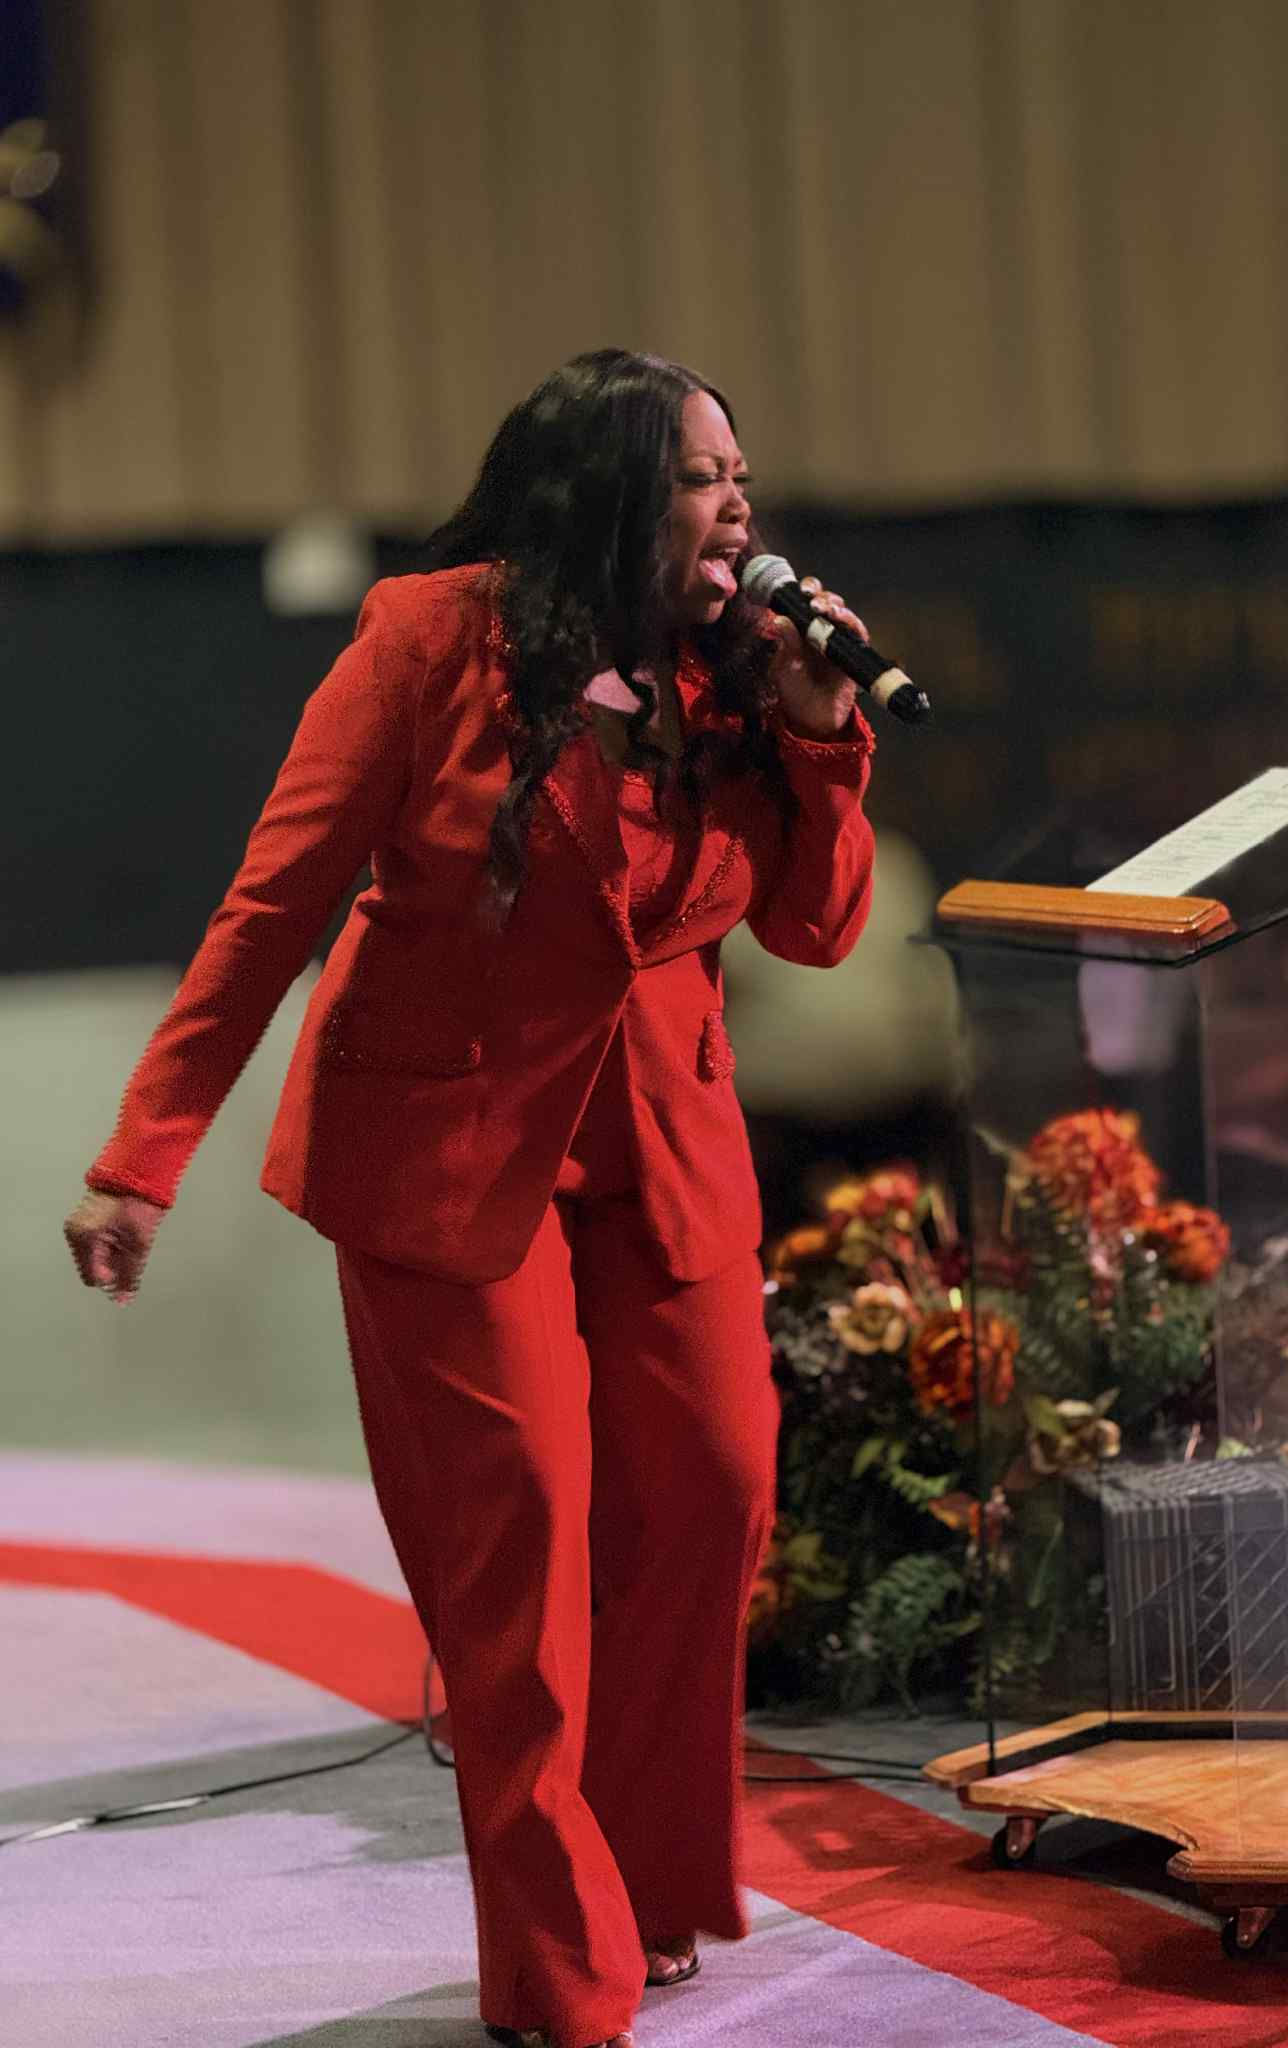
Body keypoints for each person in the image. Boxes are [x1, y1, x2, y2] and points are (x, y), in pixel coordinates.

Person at [62, 349, 877, 2048]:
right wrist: (144, 1158)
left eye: (742, 476)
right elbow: (271, 904)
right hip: (449, 1151)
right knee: (516, 1553)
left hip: (659, 1147)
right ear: (604, 493)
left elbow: (810, 931)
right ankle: (559, 1964)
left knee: (718, 1489)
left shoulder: (739, 673)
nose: (740, 503)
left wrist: (819, 735)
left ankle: (652, 1883)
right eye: (702, 476)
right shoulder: (431, 640)